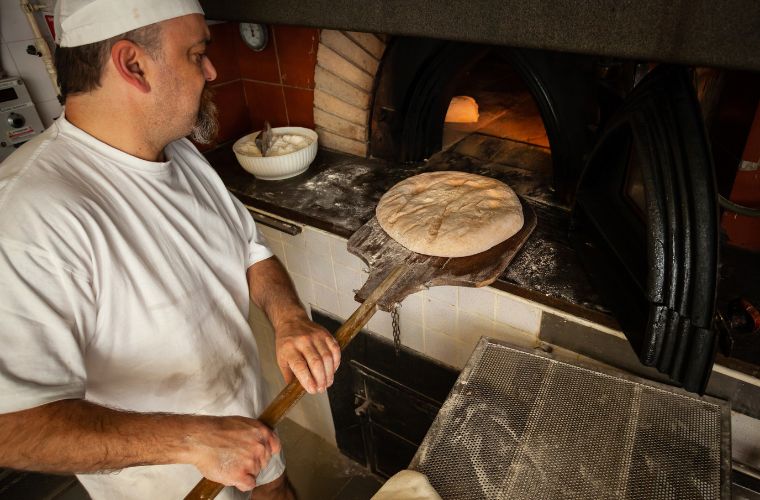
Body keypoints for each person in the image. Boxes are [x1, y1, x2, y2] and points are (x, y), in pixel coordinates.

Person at [0, 0, 341, 498]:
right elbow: (12, 426)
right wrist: (194, 439)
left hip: (251, 435)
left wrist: (288, 318)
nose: (211, 70)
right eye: (196, 53)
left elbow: (250, 251)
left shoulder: (180, 152)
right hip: (171, 483)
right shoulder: (28, 217)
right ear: (132, 64)